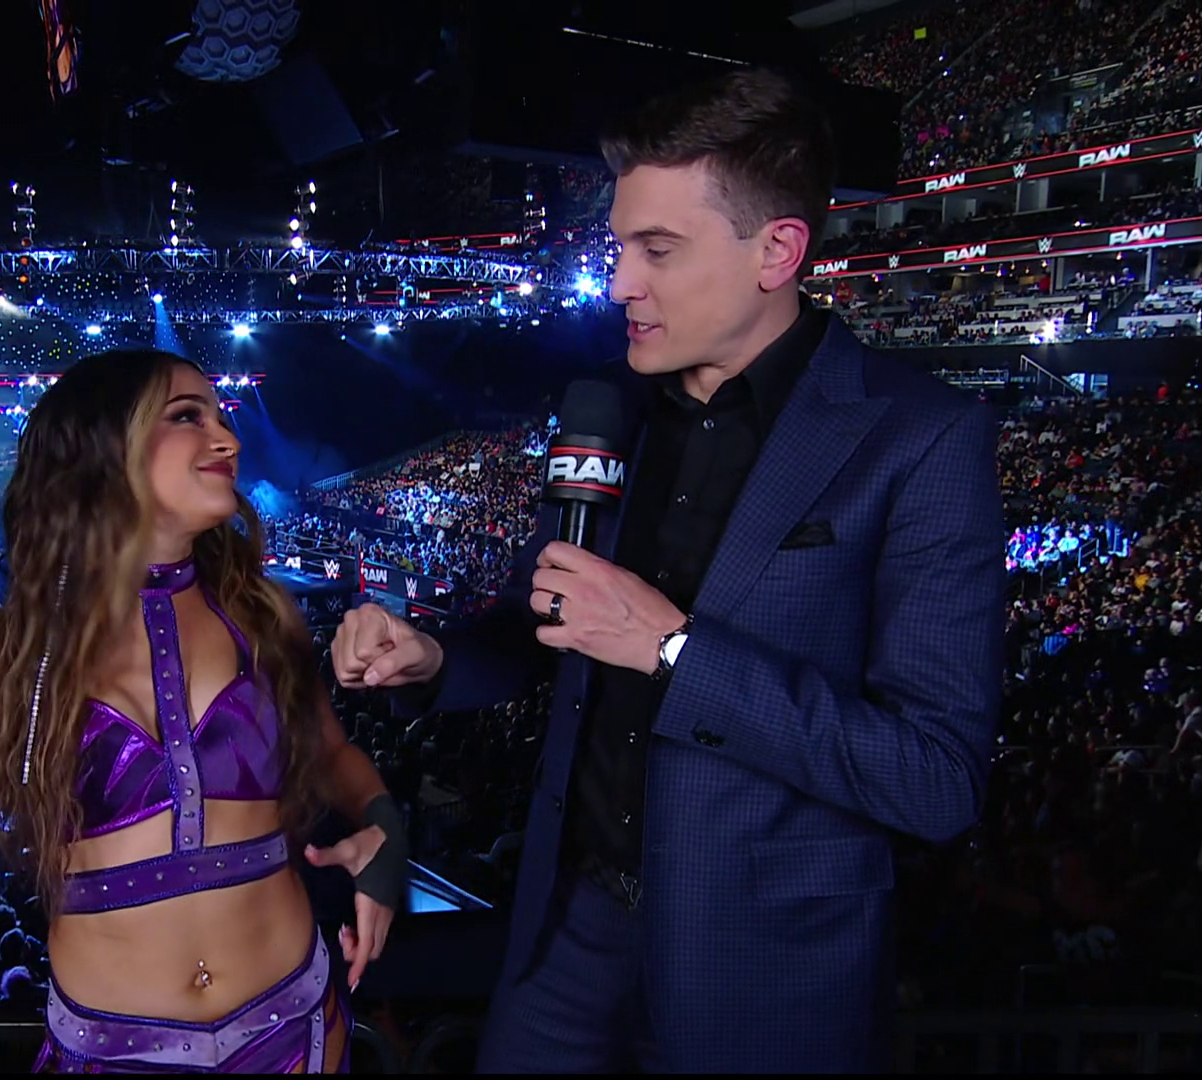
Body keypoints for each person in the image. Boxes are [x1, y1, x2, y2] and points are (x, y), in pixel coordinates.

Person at [331, 68, 1005, 1072]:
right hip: (567, 939)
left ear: (777, 251)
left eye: (657, 250)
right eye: (618, 247)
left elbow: (934, 777)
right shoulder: (607, 408)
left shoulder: (920, 438)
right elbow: (543, 622)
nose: (618, 286)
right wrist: (433, 656)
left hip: (763, 972)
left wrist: (676, 649)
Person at [0, 349, 406, 1073]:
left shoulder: (263, 616)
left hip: (295, 1032)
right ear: (104, 444)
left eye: (221, 417)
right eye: (188, 416)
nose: (227, 439)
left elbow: (330, 754)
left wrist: (382, 823)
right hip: (110, 1053)